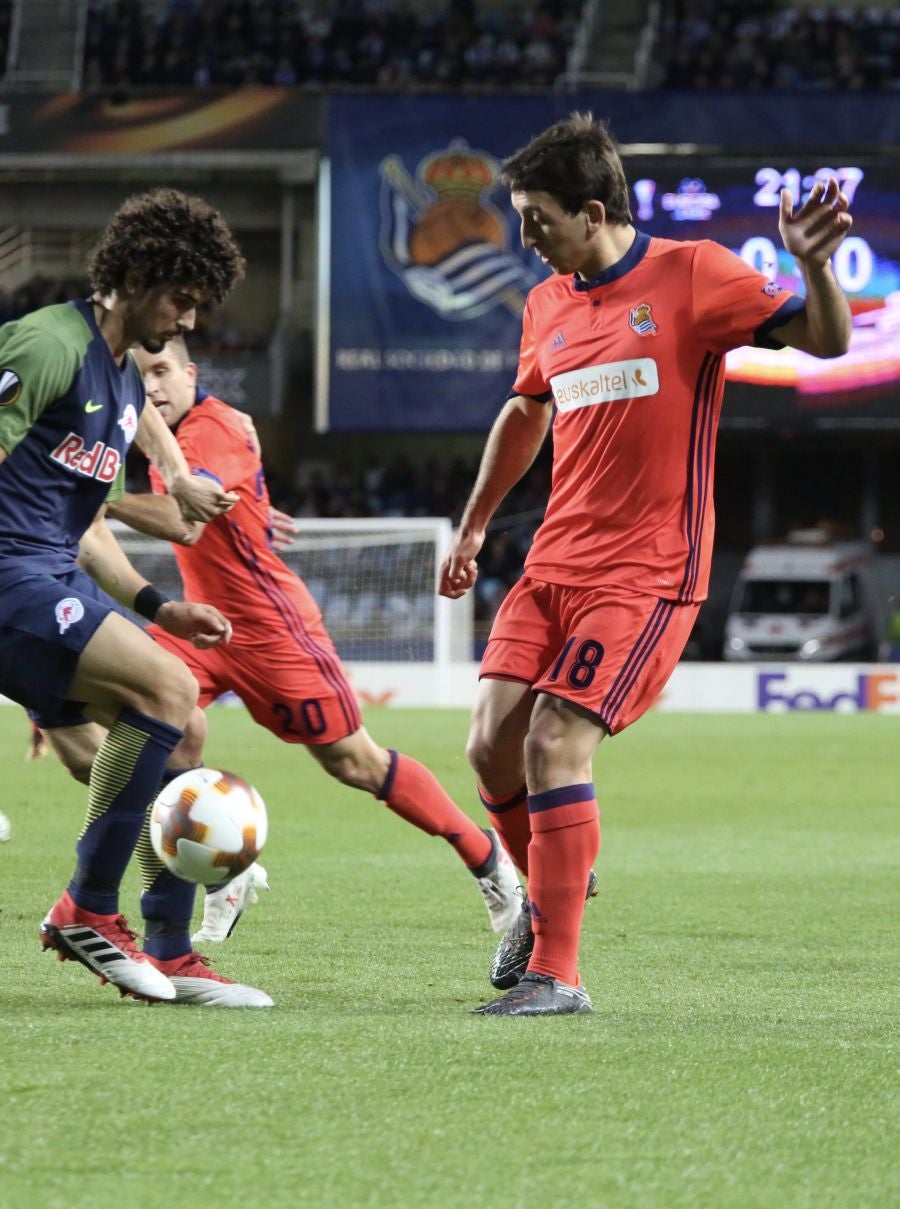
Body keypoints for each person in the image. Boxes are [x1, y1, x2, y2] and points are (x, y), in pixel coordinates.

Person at [439, 113, 854, 1017]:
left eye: (537, 217)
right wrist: (473, 527)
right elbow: (525, 415)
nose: (526, 236)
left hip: (647, 572)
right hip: (552, 564)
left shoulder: (696, 274)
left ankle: (557, 972)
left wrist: (815, 266)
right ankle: (561, 879)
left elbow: (827, 343)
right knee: (488, 749)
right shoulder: (548, 303)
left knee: (555, 742)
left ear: (593, 211)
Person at [43, 335, 520, 1006]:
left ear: (191, 372)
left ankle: (487, 857)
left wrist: (99, 499)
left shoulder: (219, 425)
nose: (151, 386)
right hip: (202, 623)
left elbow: (186, 515)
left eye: (162, 371)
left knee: (353, 761)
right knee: (153, 730)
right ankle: (186, 919)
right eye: (141, 374)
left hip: (271, 631)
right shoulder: (163, 435)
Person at [0, 187, 248, 1005]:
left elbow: (88, 522)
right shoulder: (45, 344)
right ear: (138, 274)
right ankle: (86, 910)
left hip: (47, 578)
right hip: (9, 576)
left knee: (186, 727)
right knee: (169, 688)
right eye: (182, 298)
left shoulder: (122, 380)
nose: (186, 320)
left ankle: (172, 947)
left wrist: (157, 605)